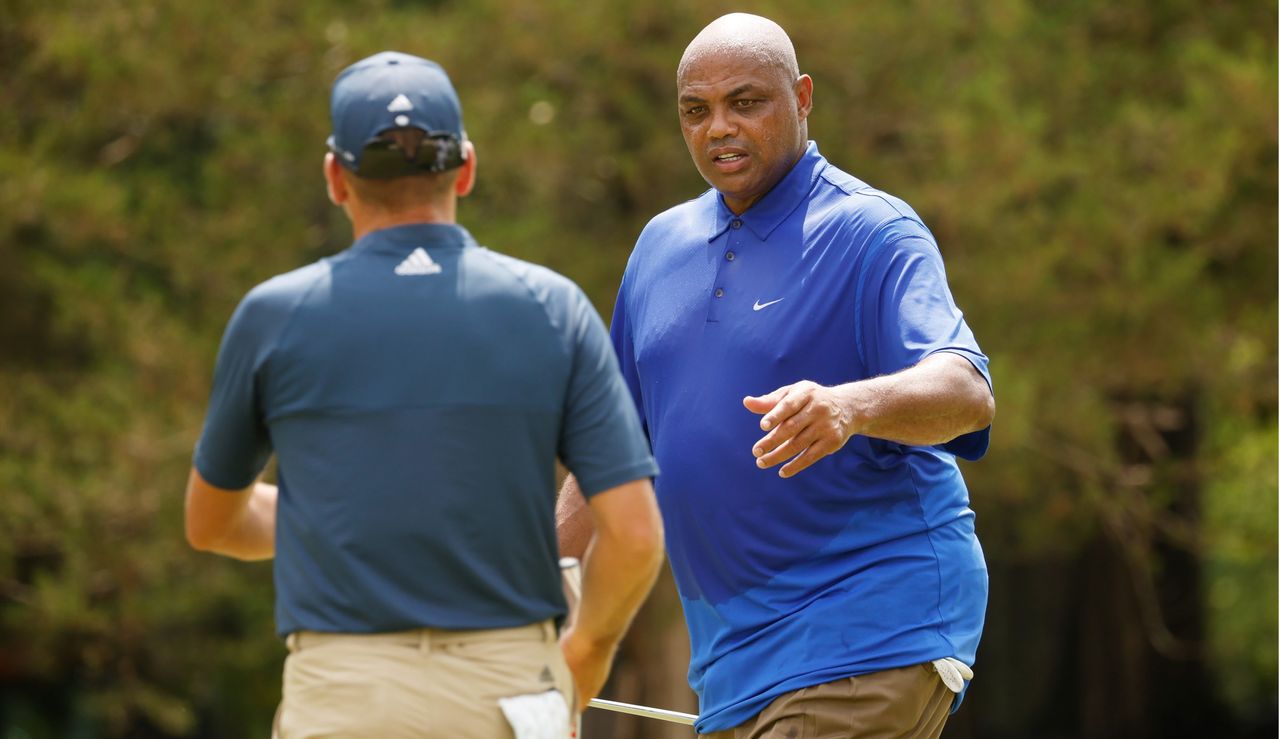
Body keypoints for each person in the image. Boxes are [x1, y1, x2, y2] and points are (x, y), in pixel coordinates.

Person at [184, 51, 664, 739]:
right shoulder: (550, 308)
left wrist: (343, 517)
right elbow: (635, 534)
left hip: (343, 701)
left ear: (334, 178)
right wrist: (586, 649)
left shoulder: (274, 314)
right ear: (466, 167)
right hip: (507, 696)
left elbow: (212, 522)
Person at [556, 14, 995, 739]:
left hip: (869, 630)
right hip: (734, 667)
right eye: (696, 111)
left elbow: (966, 392)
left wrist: (850, 406)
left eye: (746, 102)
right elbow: (612, 446)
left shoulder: (872, 232)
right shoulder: (659, 246)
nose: (719, 127)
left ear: (802, 98)